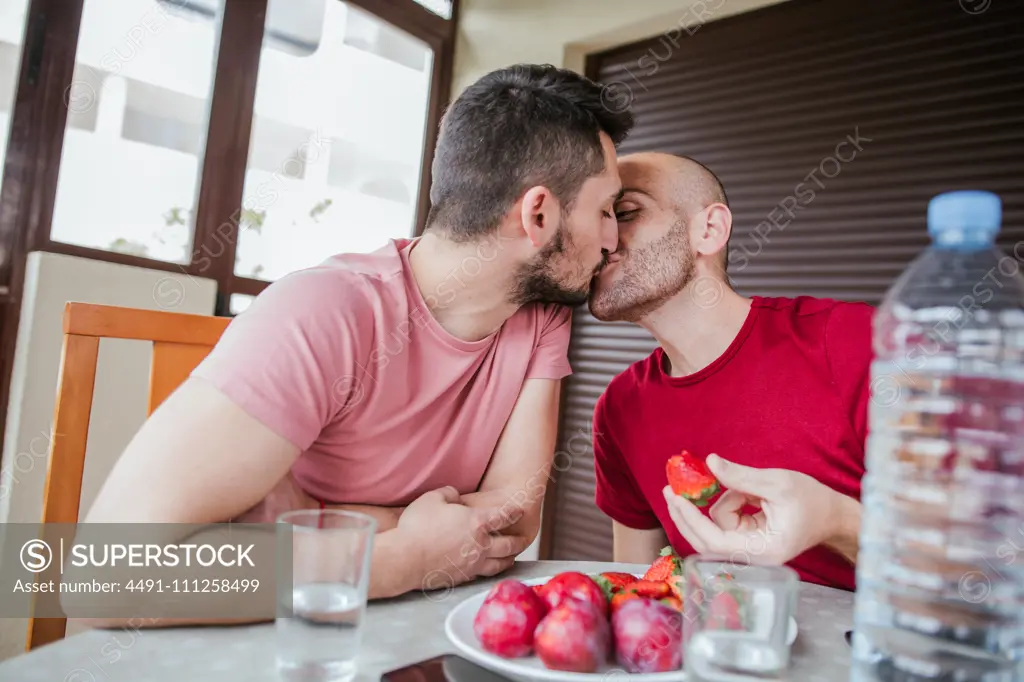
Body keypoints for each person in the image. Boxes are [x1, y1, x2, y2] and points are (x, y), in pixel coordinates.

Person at [80, 63, 632, 626]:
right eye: (607, 209)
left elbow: (510, 523)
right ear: (537, 214)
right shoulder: (323, 311)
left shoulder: (538, 317)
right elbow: (107, 574)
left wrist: (309, 523)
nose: (613, 239)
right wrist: (402, 557)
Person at [588, 152, 870, 590]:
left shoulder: (850, 340)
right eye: (595, 218)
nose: (601, 237)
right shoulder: (618, 409)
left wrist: (836, 520)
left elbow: (986, 561)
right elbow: (643, 595)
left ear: (710, 230)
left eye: (625, 212)